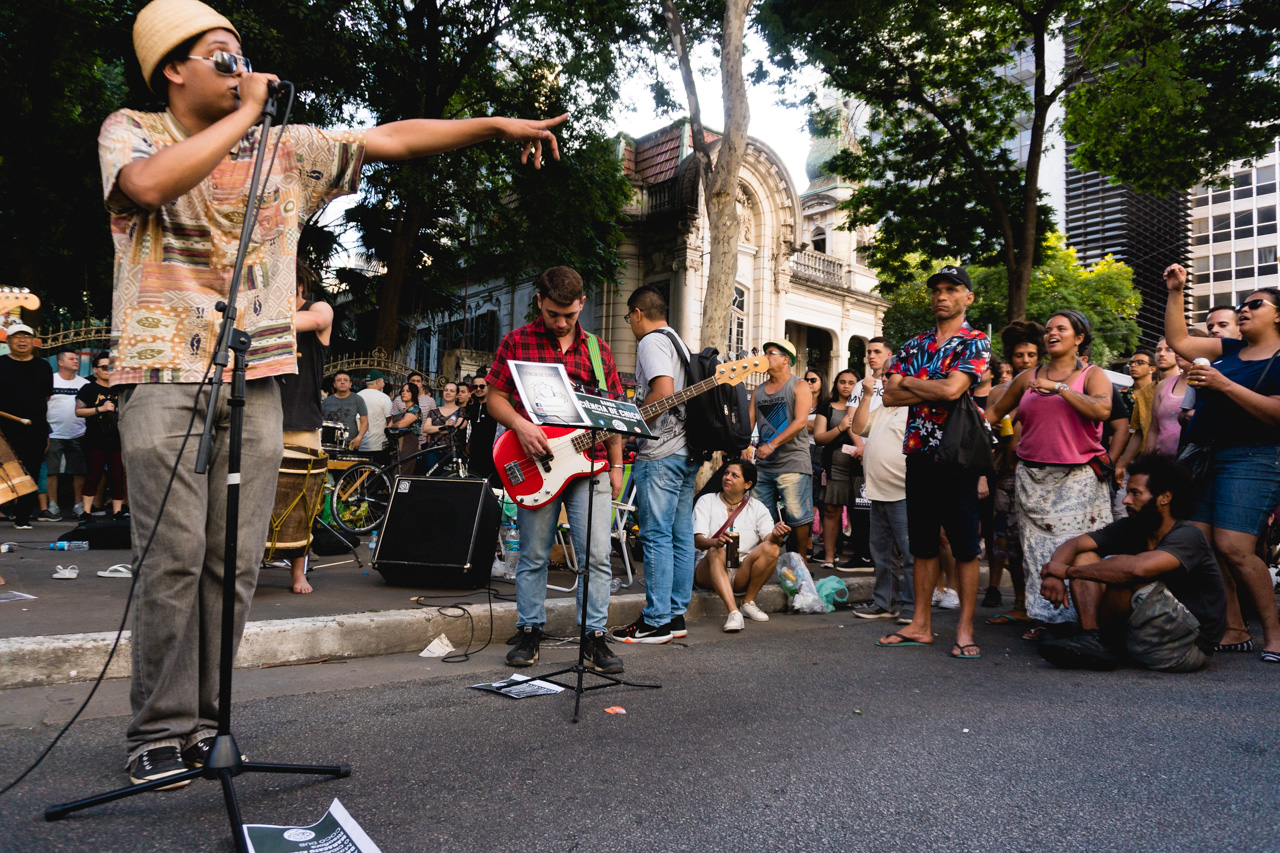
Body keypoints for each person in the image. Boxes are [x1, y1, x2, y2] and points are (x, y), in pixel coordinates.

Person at [101, 0, 569, 787]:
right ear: (172, 68)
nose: (240, 64)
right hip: (161, 378)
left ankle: (207, 726)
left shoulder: (286, 149)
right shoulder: (134, 129)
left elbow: (391, 137)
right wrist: (246, 112)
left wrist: (495, 124)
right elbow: (145, 188)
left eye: (242, 53)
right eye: (221, 54)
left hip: (255, 380)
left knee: (232, 562)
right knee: (173, 559)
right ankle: (157, 727)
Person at [486, 267, 626, 673]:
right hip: (538, 463)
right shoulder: (517, 341)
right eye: (552, 314)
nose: (561, 322)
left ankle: (594, 637)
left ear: (582, 303)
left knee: (597, 556)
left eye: (568, 314)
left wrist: (616, 465)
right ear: (539, 303)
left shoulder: (598, 351)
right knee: (533, 553)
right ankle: (529, 631)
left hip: (591, 464)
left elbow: (613, 411)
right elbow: (495, 397)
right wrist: (520, 424)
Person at [1163, 264, 1280, 664]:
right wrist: (1177, 291)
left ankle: (1275, 634)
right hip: (1203, 455)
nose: (1244, 310)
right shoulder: (1229, 351)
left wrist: (1223, 384)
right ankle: (1234, 627)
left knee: (1235, 546)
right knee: (1203, 543)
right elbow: (1179, 340)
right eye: (1242, 306)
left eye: (1255, 304)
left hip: (1253, 456)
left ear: (1278, 315)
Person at [877, 265, 990, 658]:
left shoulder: (975, 342)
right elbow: (890, 396)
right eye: (937, 290)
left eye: (951, 289)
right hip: (919, 452)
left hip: (957, 454)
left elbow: (954, 389)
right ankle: (921, 624)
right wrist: (931, 388)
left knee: (963, 545)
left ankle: (964, 629)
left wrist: (911, 382)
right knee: (923, 543)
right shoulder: (914, 343)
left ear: (967, 298)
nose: (941, 296)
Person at [985, 310, 1113, 637]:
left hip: (1079, 479)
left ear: (1079, 338)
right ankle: (1046, 619)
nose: (1051, 333)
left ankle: (1087, 621)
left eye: (1061, 329)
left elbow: (1102, 410)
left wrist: (1060, 388)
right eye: (1048, 329)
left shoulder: (1093, 374)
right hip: (1031, 478)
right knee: (1037, 552)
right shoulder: (1028, 377)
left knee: (1079, 551)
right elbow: (993, 414)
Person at [1036, 454, 1227, 671]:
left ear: (1164, 497)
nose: (1126, 500)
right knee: (1086, 557)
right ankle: (1093, 639)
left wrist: (1068, 572)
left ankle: (1099, 642)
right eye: (1127, 493)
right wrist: (1054, 575)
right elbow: (1076, 544)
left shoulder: (1188, 536)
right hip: (1146, 632)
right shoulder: (1133, 526)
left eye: (1135, 493)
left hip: (1184, 647)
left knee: (1123, 571)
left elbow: (1137, 570)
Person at [611, 285, 698, 644]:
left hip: (661, 455)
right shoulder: (678, 340)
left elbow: (662, 391)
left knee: (656, 536)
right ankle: (675, 616)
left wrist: (634, 425)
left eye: (628, 317)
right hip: (685, 451)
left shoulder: (650, 341)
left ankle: (656, 620)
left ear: (636, 313)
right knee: (679, 536)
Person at [275, 267, 333, 594]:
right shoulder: (265, 316)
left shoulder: (317, 308)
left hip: (302, 421)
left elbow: (317, 322)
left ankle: (298, 573)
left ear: (298, 283)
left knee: (302, 501)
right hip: (263, 419)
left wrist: (260, 315)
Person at [983, 321, 1045, 619]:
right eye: (1020, 355)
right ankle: (1020, 603)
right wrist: (996, 425)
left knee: (1040, 541)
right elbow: (988, 427)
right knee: (1009, 543)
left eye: (1031, 355)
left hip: (1039, 471)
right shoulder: (999, 392)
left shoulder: (1047, 387)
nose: (1025, 361)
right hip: (1006, 472)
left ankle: (1041, 606)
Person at [849, 337, 914, 620]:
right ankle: (884, 603)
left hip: (903, 492)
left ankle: (912, 607)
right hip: (877, 491)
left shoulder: (914, 407)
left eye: (891, 374)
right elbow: (858, 426)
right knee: (883, 555)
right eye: (885, 375)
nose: (885, 379)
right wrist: (866, 396)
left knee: (910, 555)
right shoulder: (883, 407)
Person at [692, 459, 789, 632]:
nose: (727, 478)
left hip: (740, 571)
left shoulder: (757, 507)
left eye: (734, 475)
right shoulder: (706, 501)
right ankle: (733, 612)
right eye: (726, 473)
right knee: (716, 550)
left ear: (748, 484)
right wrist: (716, 542)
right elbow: (697, 541)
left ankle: (748, 602)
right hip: (708, 569)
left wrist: (776, 534)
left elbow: (769, 539)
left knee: (772, 547)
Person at [749, 339, 814, 560]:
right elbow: (749, 426)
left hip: (793, 462)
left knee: (798, 516)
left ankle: (801, 562)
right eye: (764, 353)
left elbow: (800, 422)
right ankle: (766, 560)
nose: (765, 357)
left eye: (771, 353)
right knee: (762, 516)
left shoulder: (799, 385)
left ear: (786, 359)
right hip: (763, 465)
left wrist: (771, 445)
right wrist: (745, 447)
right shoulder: (758, 390)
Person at [0, 324, 52, 530]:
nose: (22, 341)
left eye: (26, 337)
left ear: (33, 341)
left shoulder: (43, 366)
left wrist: (44, 428)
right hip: (3, 428)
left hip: (34, 428)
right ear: (8, 341)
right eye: (16, 337)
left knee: (30, 471)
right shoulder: (1, 364)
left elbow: (46, 397)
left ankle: (22, 516)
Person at [812, 369, 859, 570]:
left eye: (851, 382)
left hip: (860, 468)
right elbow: (819, 438)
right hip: (834, 466)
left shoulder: (866, 404)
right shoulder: (827, 407)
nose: (846, 386)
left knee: (859, 512)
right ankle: (829, 557)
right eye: (842, 381)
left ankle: (860, 555)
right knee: (831, 510)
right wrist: (839, 428)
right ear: (836, 384)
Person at [74, 353, 127, 520]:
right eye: (104, 367)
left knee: (117, 476)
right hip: (95, 439)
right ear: (95, 370)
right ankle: (87, 511)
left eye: (111, 367)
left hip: (118, 439)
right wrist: (100, 409)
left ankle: (118, 511)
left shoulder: (121, 388)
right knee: (93, 475)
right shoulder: (88, 389)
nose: (108, 371)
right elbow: (78, 411)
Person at [43, 350, 89, 520]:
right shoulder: (51, 381)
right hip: (53, 432)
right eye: (71, 359)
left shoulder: (84, 383)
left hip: (78, 433)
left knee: (79, 471)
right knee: (51, 471)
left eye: (77, 359)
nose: (76, 361)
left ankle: (78, 505)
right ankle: (53, 506)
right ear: (60, 362)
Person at [802, 367, 829, 556]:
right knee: (806, 498)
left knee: (822, 500)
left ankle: (827, 545)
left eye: (813, 380)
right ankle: (808, 541)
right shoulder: (800, 401)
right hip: (802, 450)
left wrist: (800, 424)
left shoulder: (826, 404)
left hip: (820, 451)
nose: (809, 383)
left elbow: (814, 427)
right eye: (807, 380)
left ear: (822, 383)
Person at [420, 381, 466, 473]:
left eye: (452, 391)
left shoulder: (462, 411)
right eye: (446, 390)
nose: (448, 392)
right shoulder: (433, 412)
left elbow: (456, 428)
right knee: (433, 479)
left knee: (451, 480)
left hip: (453, 452)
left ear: (457, 395)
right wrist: (444, 427)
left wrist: (435, 430)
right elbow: (426, 429)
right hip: (433, 450)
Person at [321, 370, 368, 452]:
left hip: (350, 443)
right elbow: (320, 422)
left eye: (345, 380)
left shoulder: (357, 399)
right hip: (329, 444)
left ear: (350, 384)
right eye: (339, 380)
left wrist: (359, 437)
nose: (342, 382)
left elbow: (365, 421)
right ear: (334, 384)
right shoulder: (326, 401)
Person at [466, 371, 498, 481]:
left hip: (491, 454)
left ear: (488, 386)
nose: (478, 389)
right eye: (475, 386)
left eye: (481, 386)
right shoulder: (472, 407)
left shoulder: (495, 406)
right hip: (474, 454)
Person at [387, 383, 422, 474]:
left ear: (413, 393)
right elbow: (388, 426)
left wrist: (395, 425)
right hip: (396, 445)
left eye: (407, 391)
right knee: (394, 470)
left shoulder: (415, 409)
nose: (404, 393)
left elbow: (402, 424)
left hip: (408, 444)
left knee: (404, 470)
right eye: (403, 391)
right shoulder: (400, 410)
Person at [357, 370, 393, 454]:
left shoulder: (357, 396)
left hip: (359, 444)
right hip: (378, 445)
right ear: (377, 381)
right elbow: (390, 421)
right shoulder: (384, 397)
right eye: (383, 381)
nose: (384, 384)